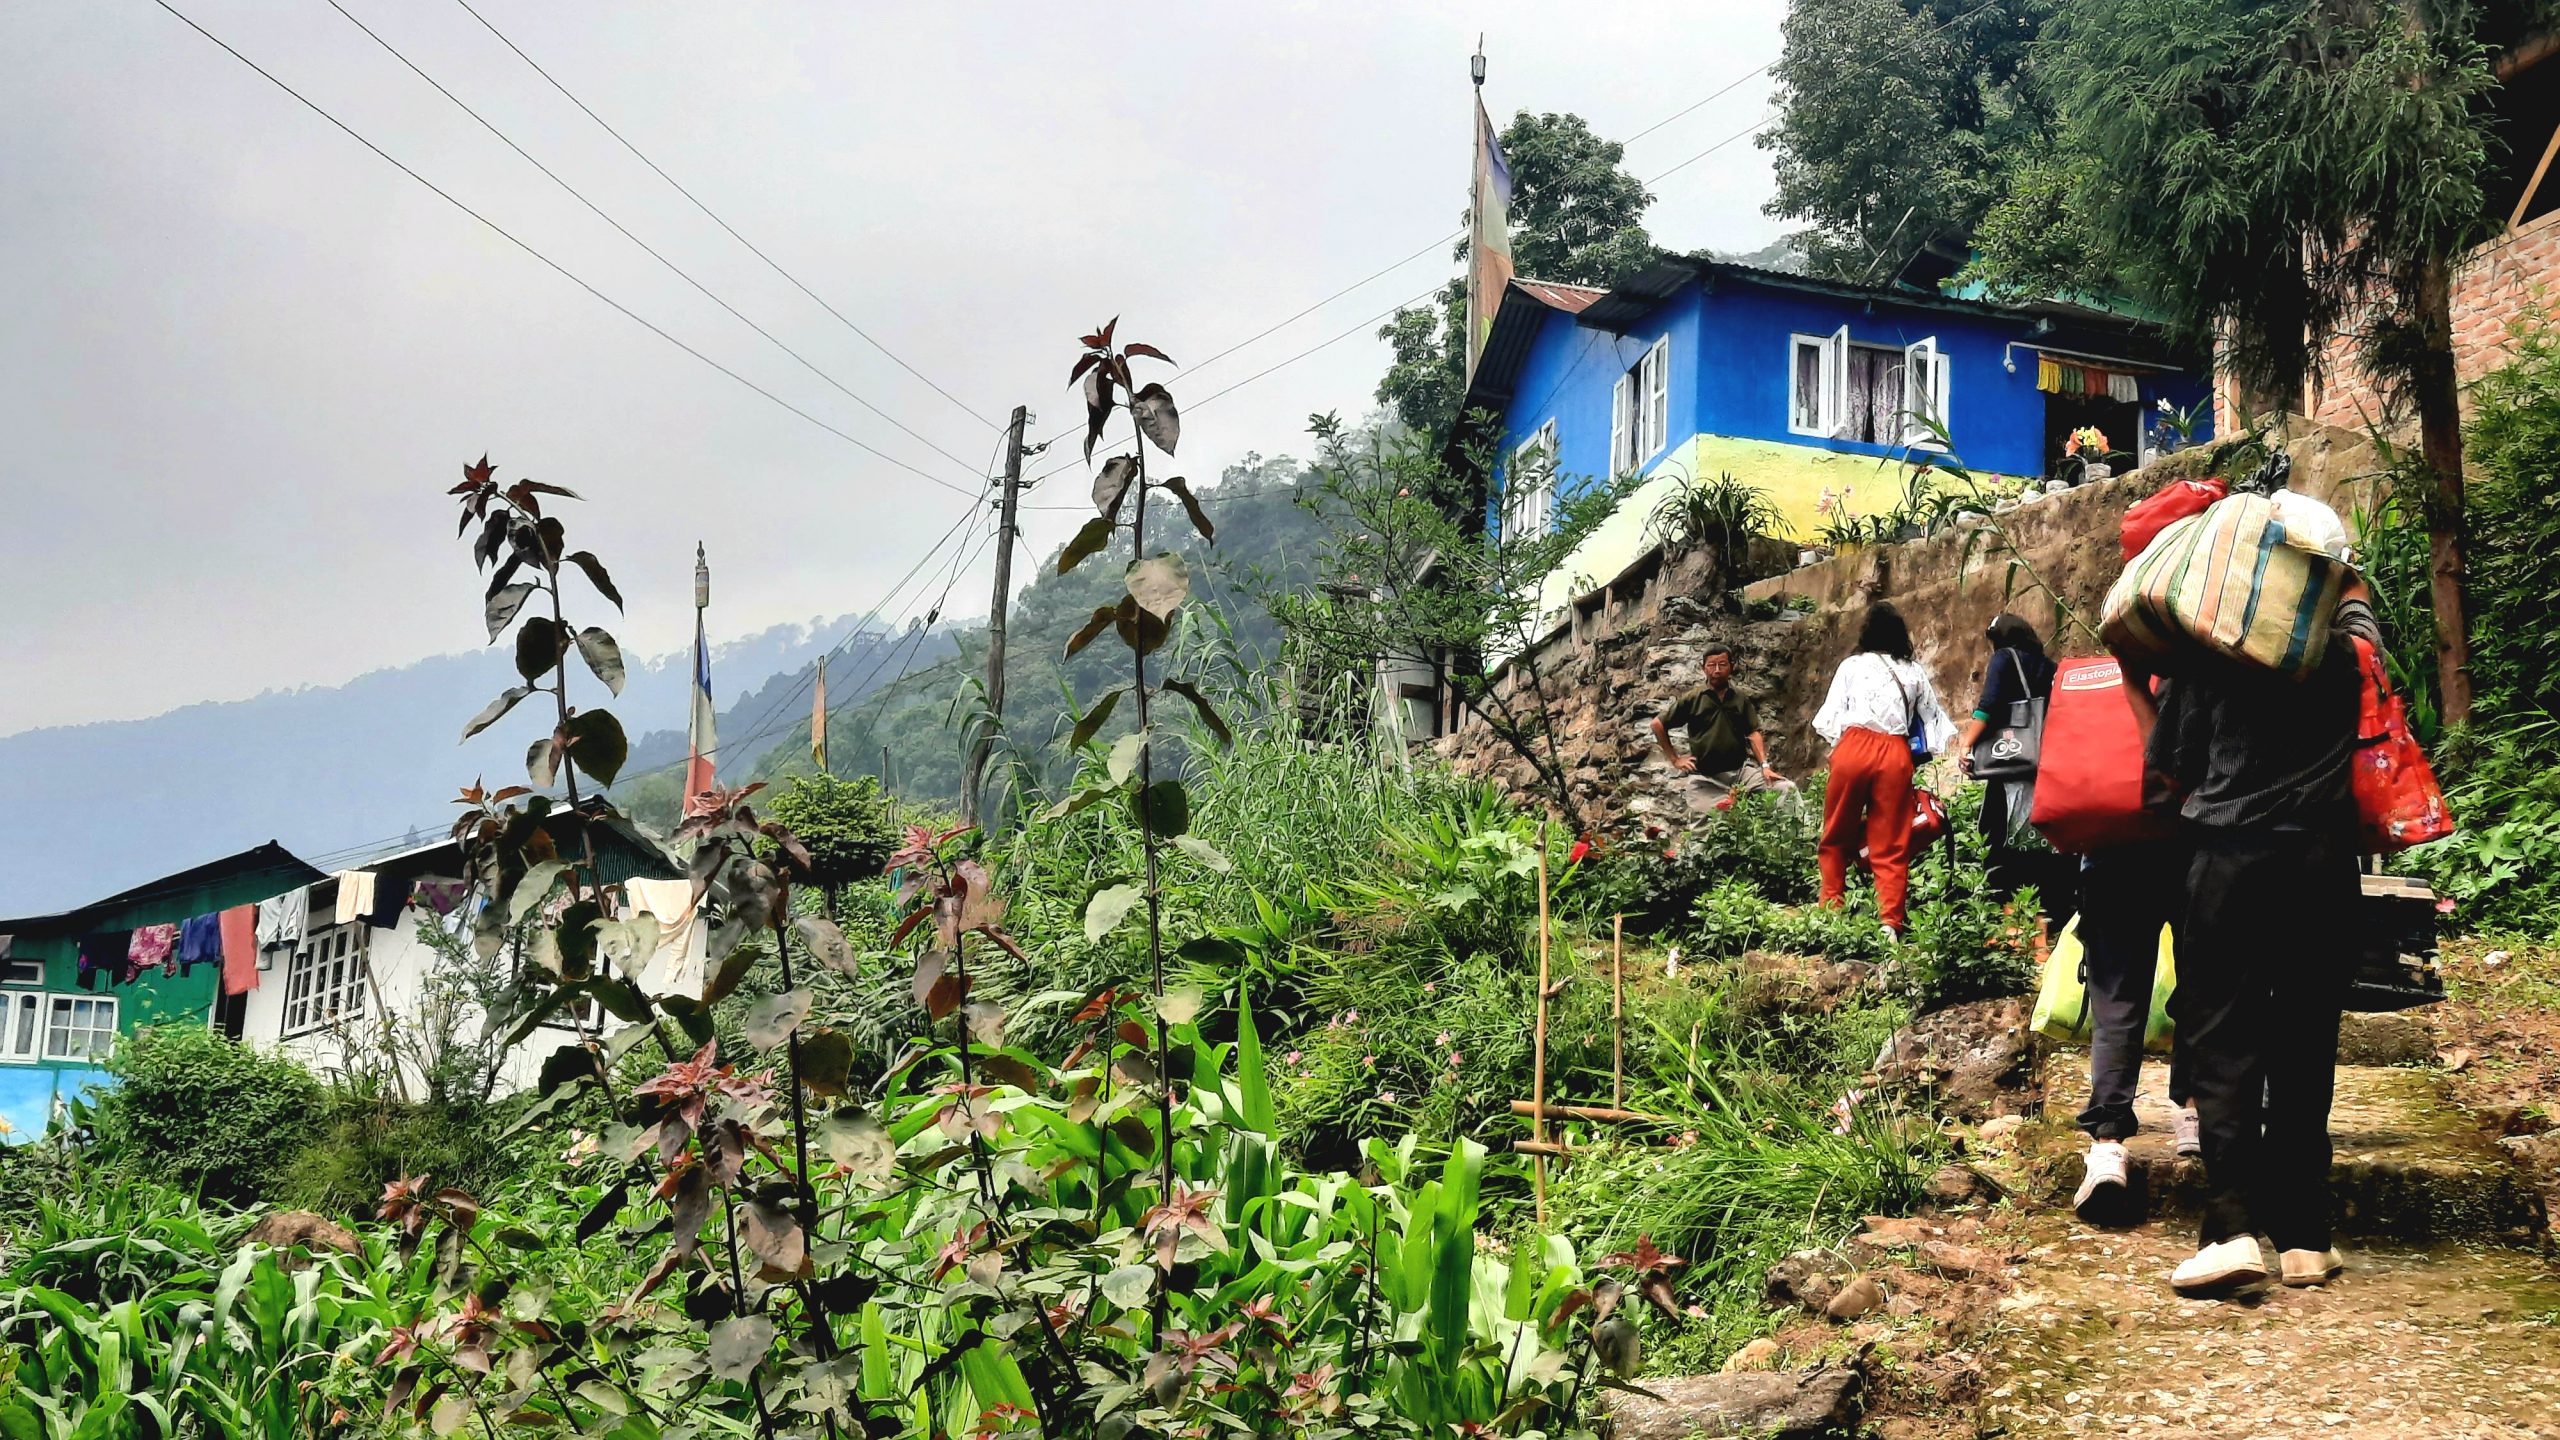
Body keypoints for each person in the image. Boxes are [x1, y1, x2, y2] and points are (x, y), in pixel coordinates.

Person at [2139, 583, 2380, 1295]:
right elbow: (2366, 632)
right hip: (2322, 864)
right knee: (2307, 1036)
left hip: (2229, 863)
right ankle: (2306, 1236)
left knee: (2223, 1039)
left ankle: (2231, 1228)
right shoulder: (2341, 657)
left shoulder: (2205, 660)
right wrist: (2346, 584)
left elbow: (2172, 758)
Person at [1812, 603, 1956, 936]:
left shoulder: (1851, 666)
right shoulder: (1913, 671)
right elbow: (1934, 721)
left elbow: (1831, 718)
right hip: (1895, 751)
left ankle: (1831, 912)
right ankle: (1889, 923)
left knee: (1835, 835)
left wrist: (1847, 745)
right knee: (1891, 842)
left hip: (1854, 747)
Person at [1953, 614, 2078, 928]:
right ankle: (2050, 915)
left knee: (1997, 839)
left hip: (2011, 762)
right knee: (2041, 842)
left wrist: (1967, 744)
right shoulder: (2049, 667)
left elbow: (1989, 705)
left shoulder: (2004, 659)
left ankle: (2011, 919)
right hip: (2045, 765)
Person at [1653, 643, 1793, 800]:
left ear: (1731, 667)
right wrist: (1675, 759)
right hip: (1705, 778)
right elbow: (1658, 724)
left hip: (1741, 773)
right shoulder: (1693, 698)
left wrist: (1765, 766)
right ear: (1703, 668)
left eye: (1722, 664)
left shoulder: (1740, 698)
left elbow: (1753, 733)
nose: (1717, 670)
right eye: (1711, 665)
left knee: (1786, 789)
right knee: (1710, 819)